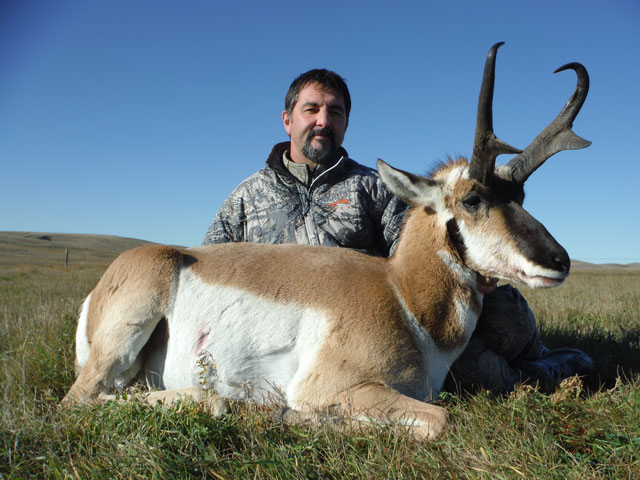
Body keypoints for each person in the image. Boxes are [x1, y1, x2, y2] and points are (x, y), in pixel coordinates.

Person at [202, 68, 594, 394]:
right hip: (290, 334)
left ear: (345, 123)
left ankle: (542, 357)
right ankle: (539, 375)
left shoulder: (371, 187)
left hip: (370, 324)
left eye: (335, 112)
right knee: (461, 371)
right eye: (312, 110)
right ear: (288, 119)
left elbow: (418, 260)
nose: (323, 121)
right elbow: (209, 271)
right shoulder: (246, 196)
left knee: (502, 314)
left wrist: (476, 269)